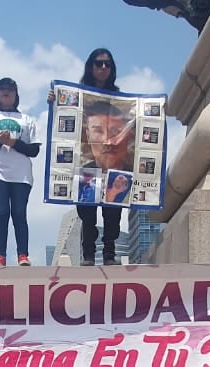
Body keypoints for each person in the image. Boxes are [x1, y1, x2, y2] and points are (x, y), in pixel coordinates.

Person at [0, 77, 40, 267]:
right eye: (2, 89)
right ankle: (0, 255)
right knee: (1, 212)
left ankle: (23, 255)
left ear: (16, 94)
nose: (6, 92)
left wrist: (14, 143)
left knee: (19, 213)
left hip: (22, 174)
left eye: (10, 89)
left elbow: (34, 150)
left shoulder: (26, 119)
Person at [68, 49, 126, 264]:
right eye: (98, 63)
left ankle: (110, 253)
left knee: (113, 211)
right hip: (87, 163)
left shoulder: (120, 98)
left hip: (113, 163)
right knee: (87, 211)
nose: (103, 68)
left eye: (107, 64)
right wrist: (55, 100)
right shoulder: (79, 95)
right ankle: (89, 253)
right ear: (90, 66)